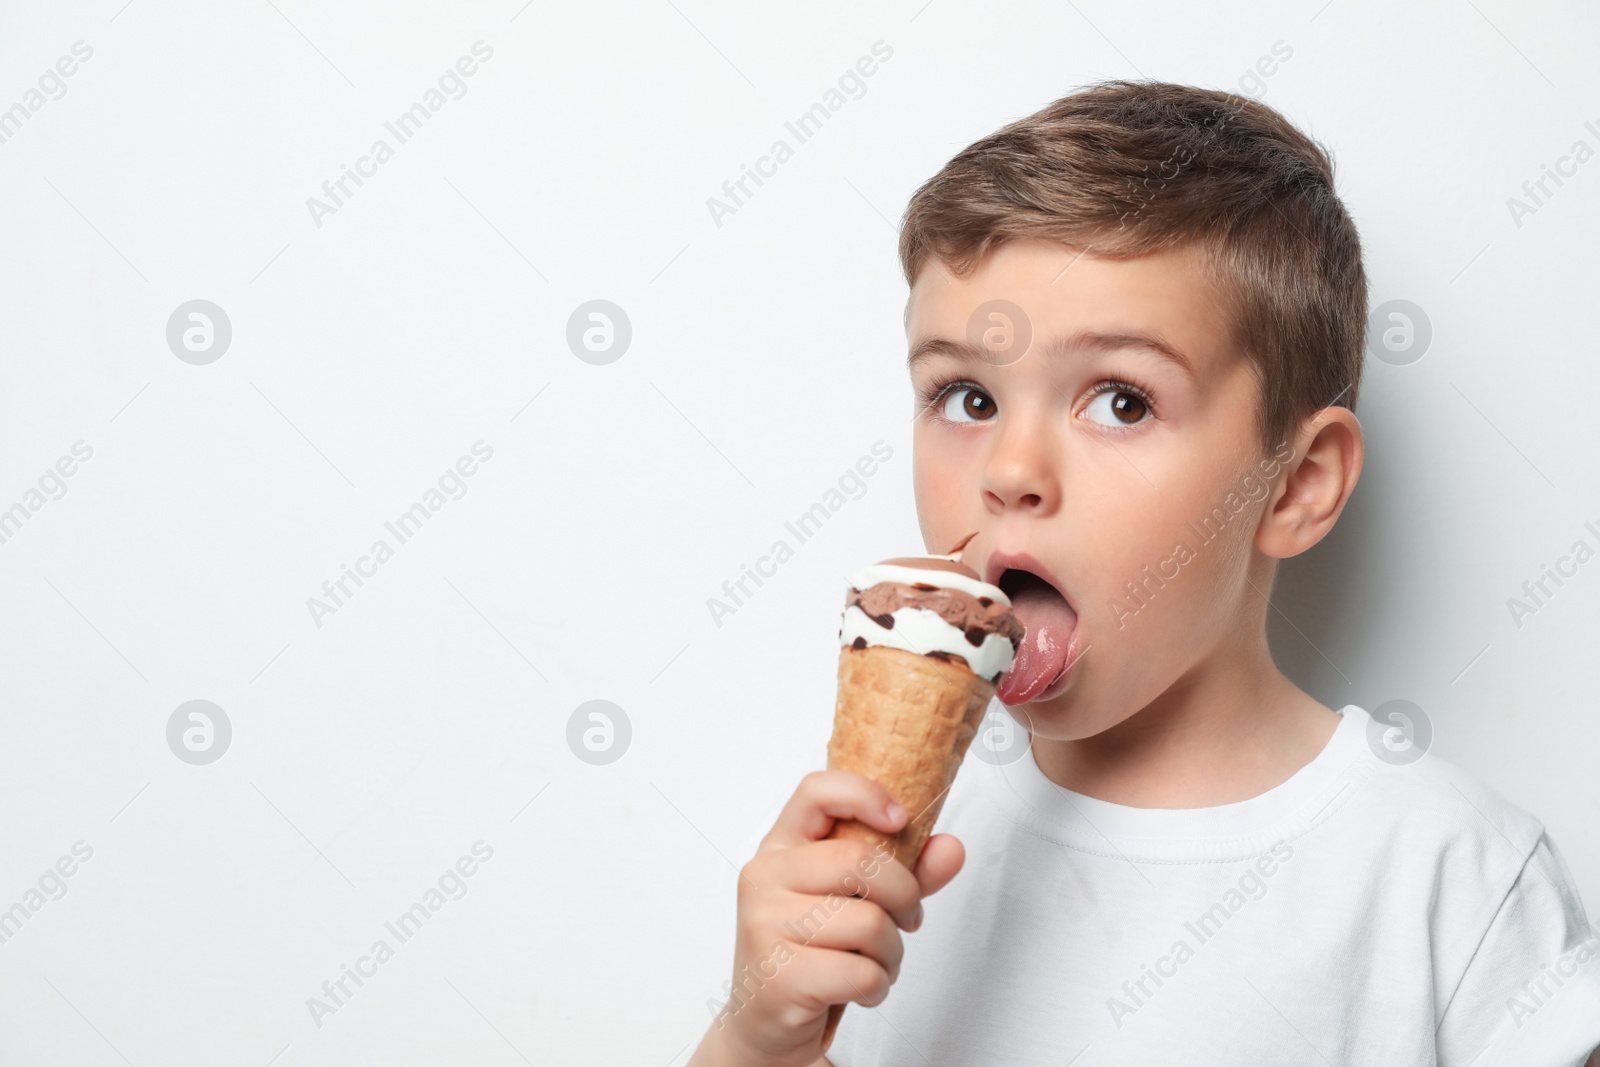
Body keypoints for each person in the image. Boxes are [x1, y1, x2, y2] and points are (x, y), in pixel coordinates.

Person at [688, 80, 1600, 1067]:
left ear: (1294, 483)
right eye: (964, 394)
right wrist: (756, 1039)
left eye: (1120, 401)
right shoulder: (877, 855)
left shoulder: (1447, 873)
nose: (1009, 472)